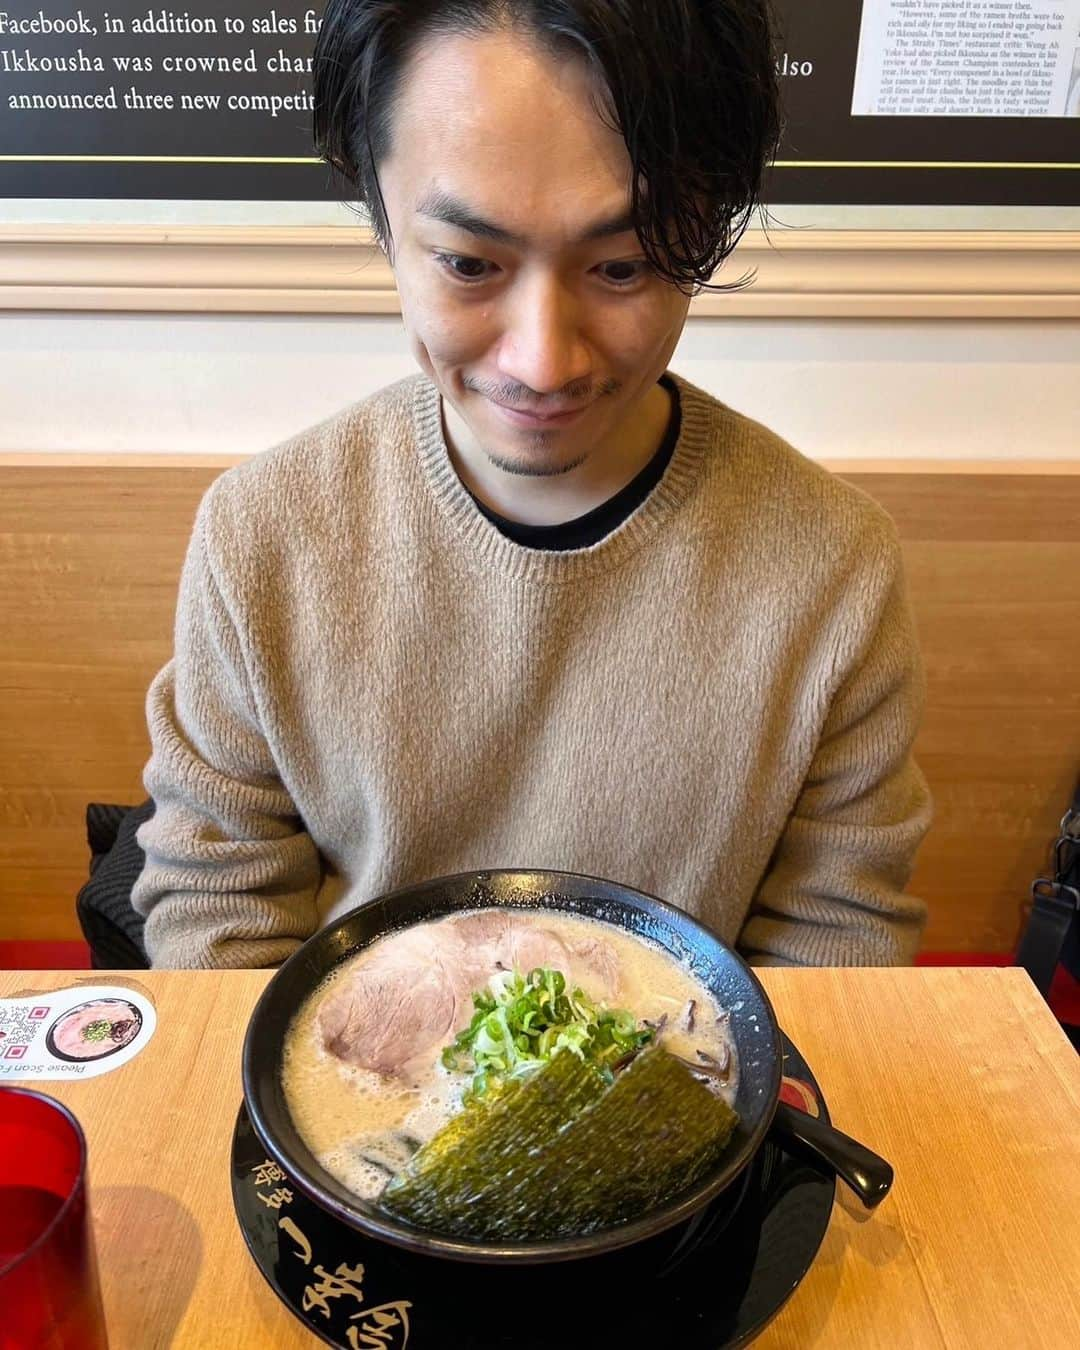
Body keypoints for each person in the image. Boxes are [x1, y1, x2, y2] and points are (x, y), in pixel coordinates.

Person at [133, 0, 932, 970]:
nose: (542, 361)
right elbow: (220, 900)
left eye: (622, 264)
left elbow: (835, 939)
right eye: (470, 262)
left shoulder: (830, 566)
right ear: (378, 205)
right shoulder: (263, 535)